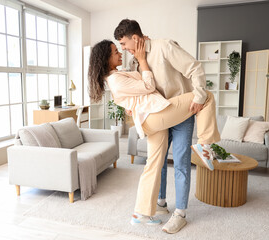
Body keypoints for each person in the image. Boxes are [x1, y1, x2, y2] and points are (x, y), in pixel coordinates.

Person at [88, 39, 220, 233]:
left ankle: (141, 213)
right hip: (156, 116)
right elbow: (149, 86)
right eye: (116, 51)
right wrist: (142, 59)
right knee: (205, 95)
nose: (120, 52)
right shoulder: (115, 79)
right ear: (105, 58)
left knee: (154, 163)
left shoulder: (118, 74)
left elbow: (136, 95)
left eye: (121, 47)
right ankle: (205, 144)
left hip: (151, 117)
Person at [114, 19, 207, 233]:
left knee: (181, 162)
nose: (123, 50)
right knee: (158, 161)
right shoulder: (133, 63)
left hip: (181, 113)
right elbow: (139, 89)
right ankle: (161, 203)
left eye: (124, 44)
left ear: (135, 38)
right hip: (158, 115)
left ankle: (180, 213)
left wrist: (200, 96)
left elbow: (194, 67)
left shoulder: (164, 47)